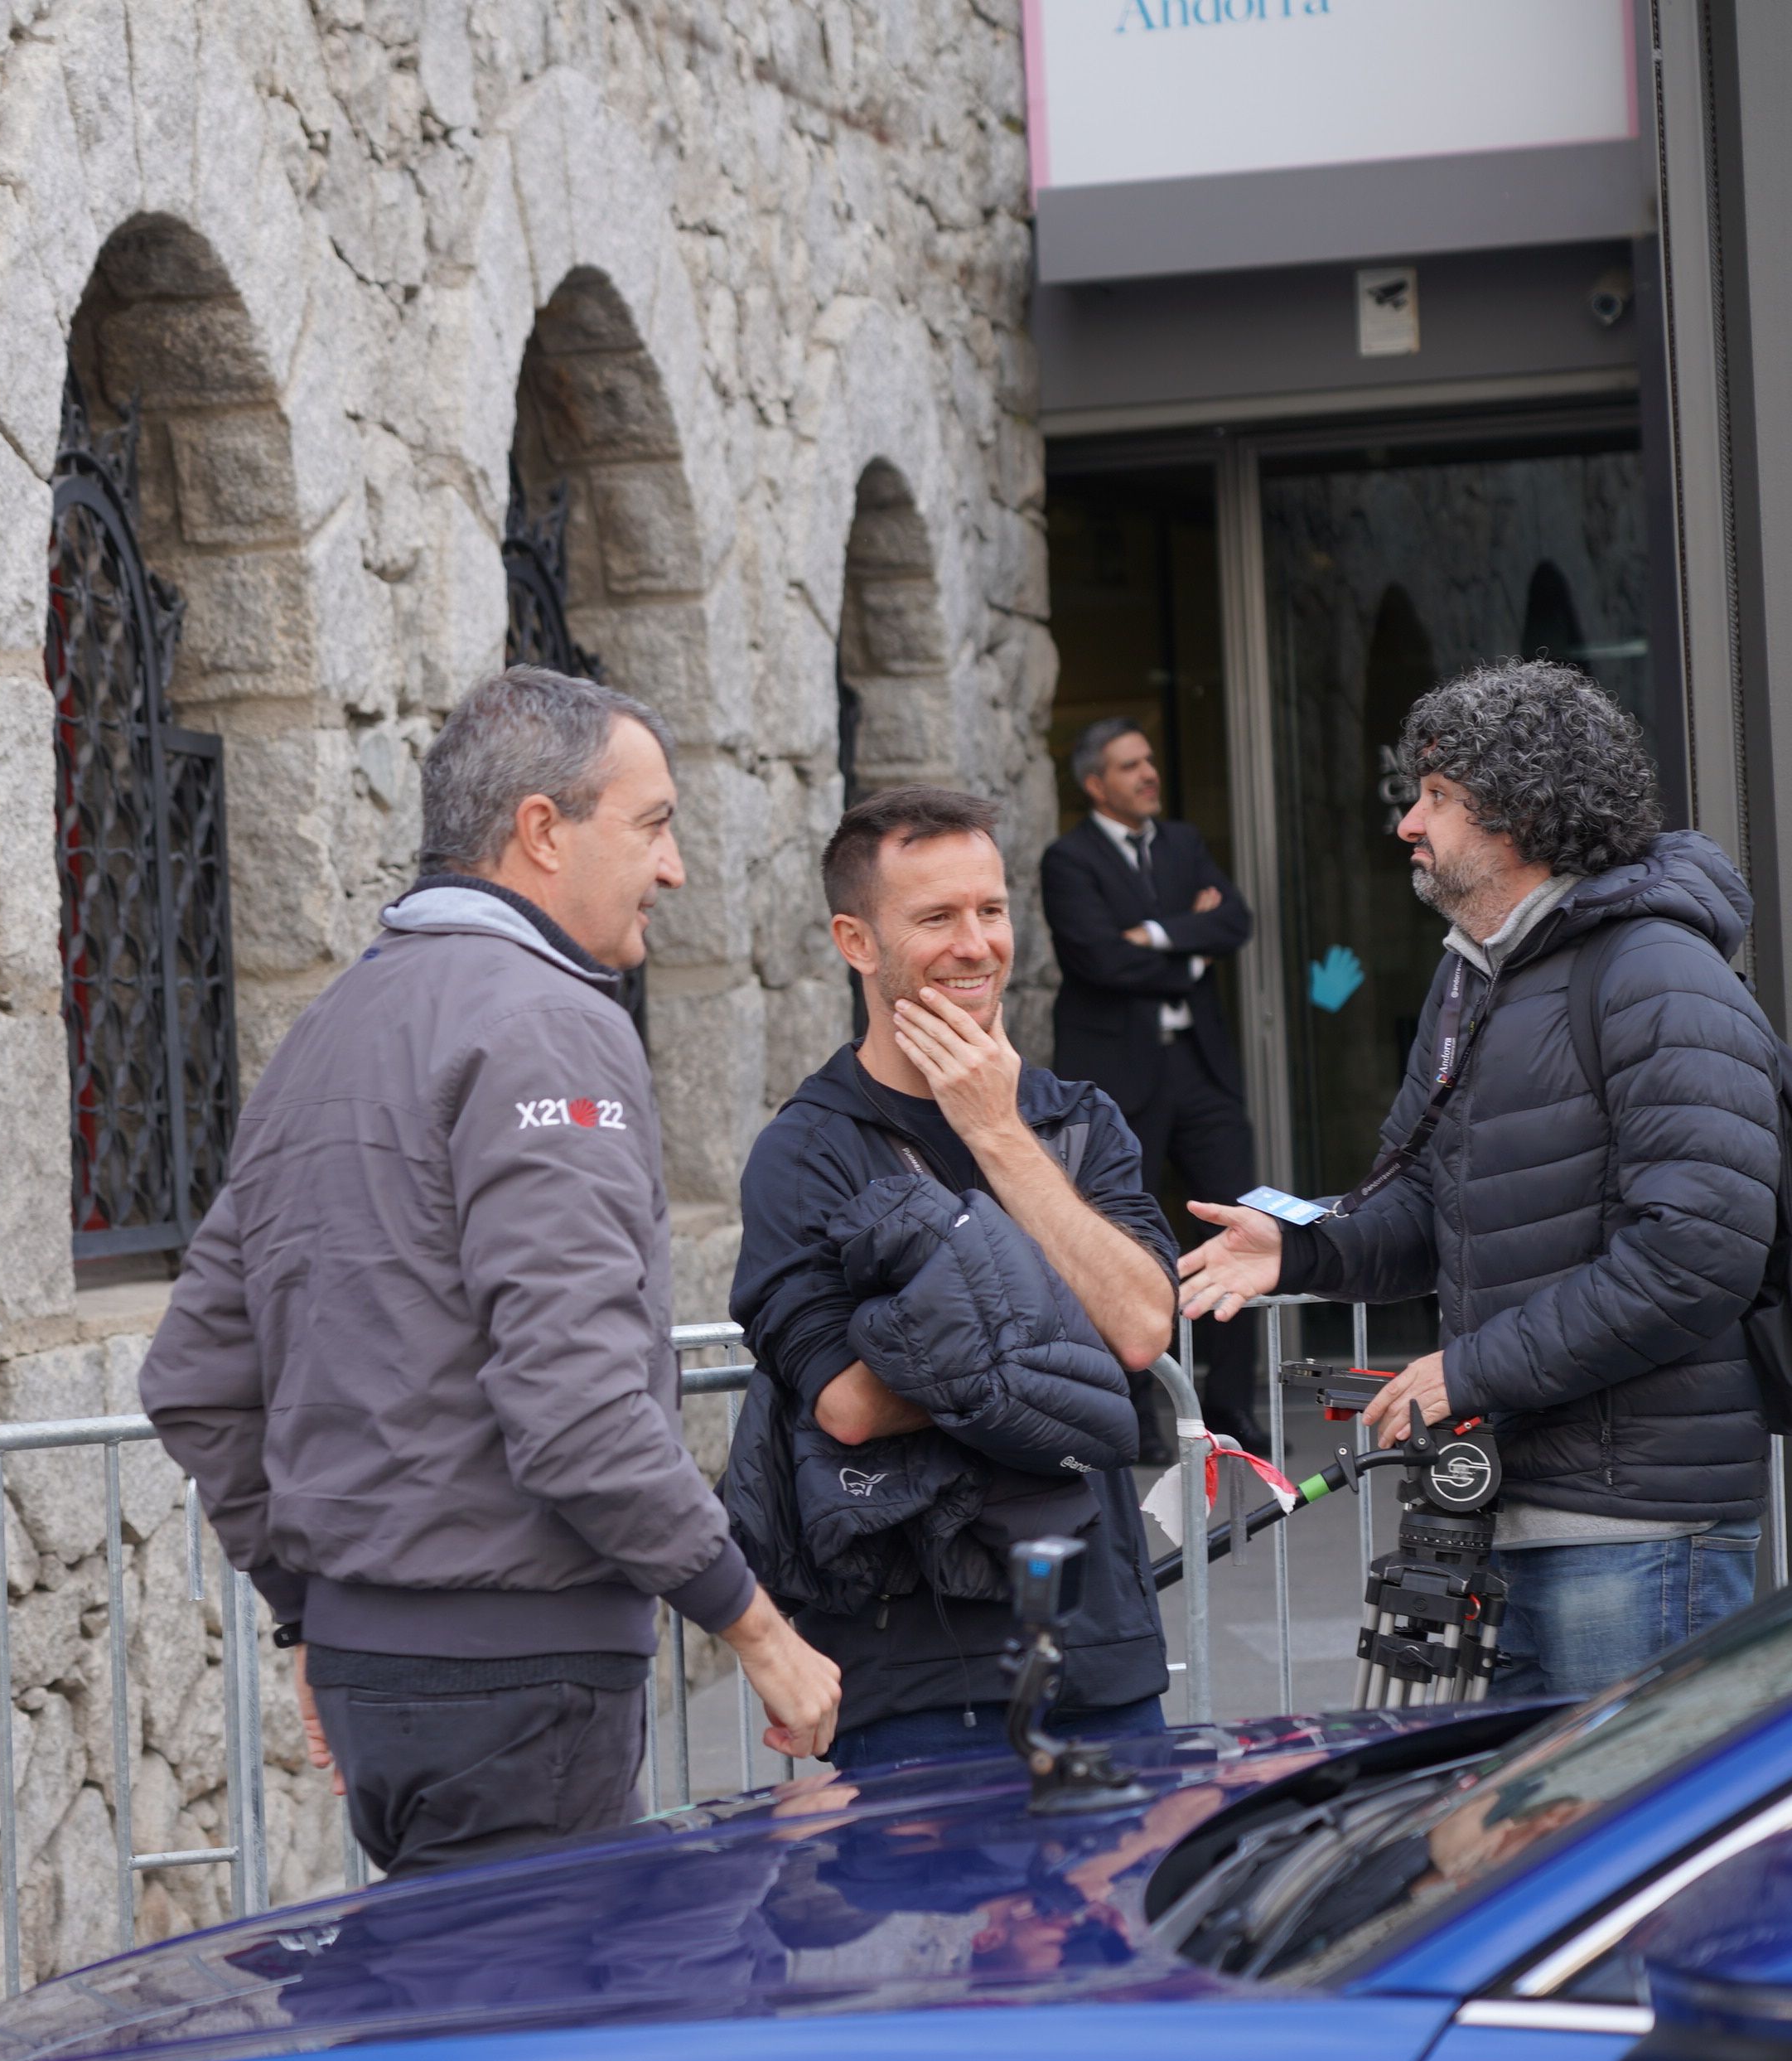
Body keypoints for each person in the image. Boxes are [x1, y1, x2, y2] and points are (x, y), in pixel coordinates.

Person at [141, 665, 842, 1879]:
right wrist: (754, 1625)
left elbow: (195, 1375)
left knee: (445, 2044)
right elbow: (574, 1409)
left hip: (383, 1681)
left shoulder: (331, 1027)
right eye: (654, 824)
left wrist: (320, 1614)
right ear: (540, 831)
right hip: (518, 1686)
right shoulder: (548, 1019)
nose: (673, 869)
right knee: (533, 2053)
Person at [1179, 660, 1781, 1699]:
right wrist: (1301, 1249)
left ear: (1522, 811)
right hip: (1525, 1517)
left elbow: (1696, 1252)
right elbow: (1426, 1201)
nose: (1409, 824)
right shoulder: (1474, 974)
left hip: (1635, 1532)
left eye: (1438, 798)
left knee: (1621, 1851)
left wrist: (1468, 1372)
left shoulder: (1656, 972)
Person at [729, 786, 1176, 1770]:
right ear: (857, 940)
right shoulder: (806, 1150)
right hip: (914, 1673)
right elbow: (846, 1401)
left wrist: (995, 1133)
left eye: (991, 909)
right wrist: (1066, 1336)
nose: (976, 944)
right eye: (935, 917)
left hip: (1099, 1649)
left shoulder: (1074, 1118)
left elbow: (1141, 1327)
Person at [1041, 718, 1265, 1454]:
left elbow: (1235, 920)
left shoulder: (1183, 844)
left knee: (1238, 1226)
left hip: (1199, 1068)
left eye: (1149, 761)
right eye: (1130, 766)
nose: (1149, 775)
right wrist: (1190, 947)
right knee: (1115, 1237)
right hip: (1120, 1077)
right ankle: (1132, 1420)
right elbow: (1098, 960)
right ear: (1094, 783)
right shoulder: (1066, 861)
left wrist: (1156, 937)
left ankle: (1234, 1412)